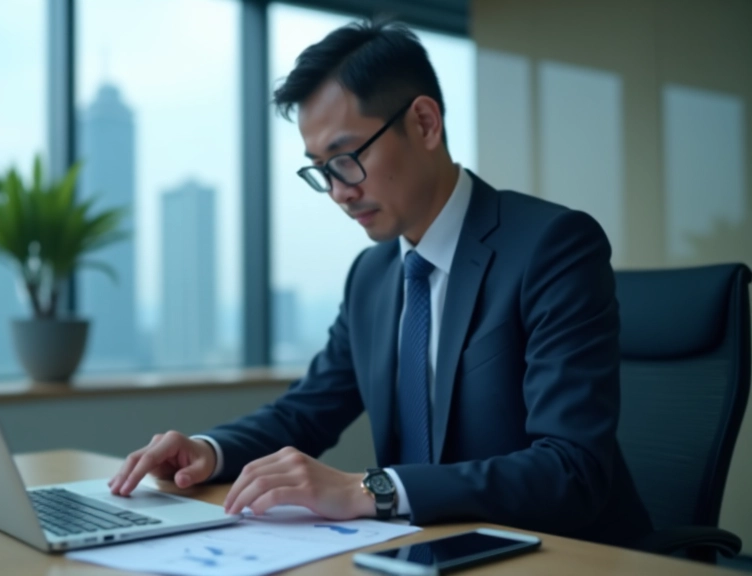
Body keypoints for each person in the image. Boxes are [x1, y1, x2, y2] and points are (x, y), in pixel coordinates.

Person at [108, 19, 652, 547]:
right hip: (425, 550)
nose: (340, 192)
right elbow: (305, 411)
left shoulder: (552, 246)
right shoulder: (374, 276)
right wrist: (210, 449)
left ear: (424, 123)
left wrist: (368, 488)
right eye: (321, 169)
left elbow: (571, 469)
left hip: (562, 554)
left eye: (346, 158)